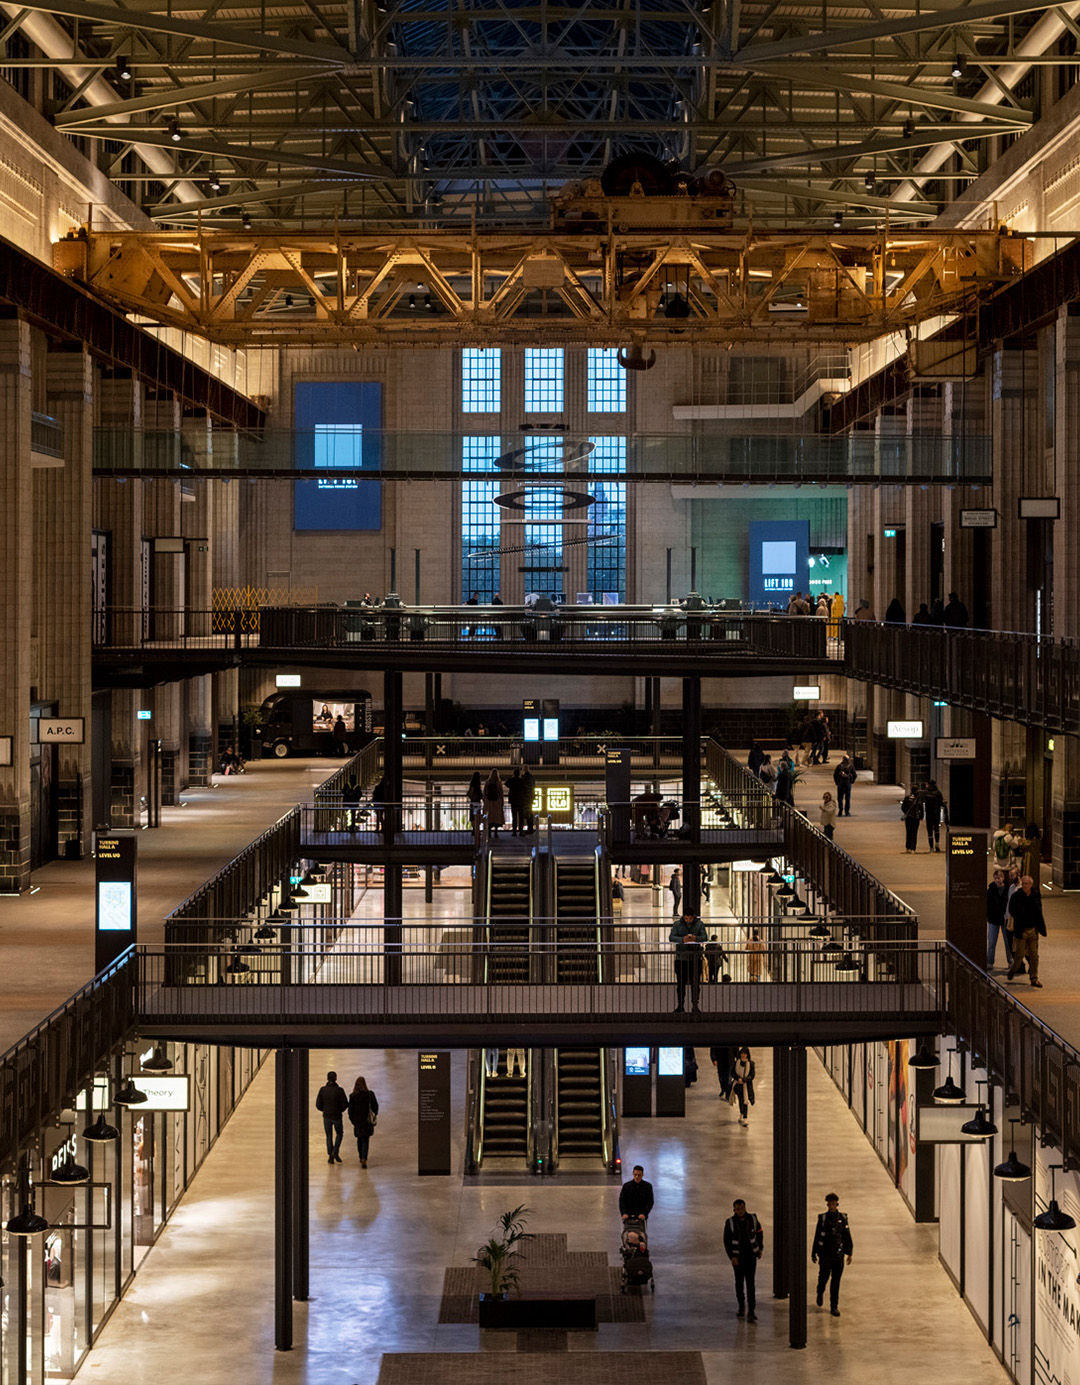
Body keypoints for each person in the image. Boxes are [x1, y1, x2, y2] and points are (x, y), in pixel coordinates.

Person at [812, 1192, 853, 1316]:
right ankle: (820, 1292)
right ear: (827, 1204)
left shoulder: (843, 1218)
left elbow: (847, 1236)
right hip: (825, 1255)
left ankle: (834, 1306)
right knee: (824, 1277)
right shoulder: (823, 1219)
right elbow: (817, 1235)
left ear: (837, 1204)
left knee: (836, 1282)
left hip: (838, 1255)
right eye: (829, 1204)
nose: (832, 1206)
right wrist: (813, 1252)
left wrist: (849, 1253)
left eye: (834, 1204)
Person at [723, 1199, 764, 1321]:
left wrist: (760, 1248)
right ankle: (741, 1306)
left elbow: (760, 1232)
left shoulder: (753, 1219)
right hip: (738, 1258)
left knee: (751, 1283)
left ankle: (751, 1310)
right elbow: (727, 1241)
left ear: (745, 1208)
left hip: (751, 1256)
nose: (740, 1211)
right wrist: (732, 1257)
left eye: (742, 1208)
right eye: (738, 1209)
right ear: (734, 1210)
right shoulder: (730, 1223)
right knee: (739, 1282)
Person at [1006, 875, 1046, 987]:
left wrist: (1040, 926)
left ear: (1031, 885)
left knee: (1034, 955)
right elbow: (1011, 910)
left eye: (1026, 884)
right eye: (1023, 884)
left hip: (1033, 930)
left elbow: (1039, 910)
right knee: (1019, 954)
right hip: (1021, 930)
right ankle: (1013, 970)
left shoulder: (1035, 895)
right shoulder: (1016, 896)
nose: (1024, 886)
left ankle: (1034, 978)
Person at [669, 909, 707, 1013]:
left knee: (695, 984)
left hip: (693, 959)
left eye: (690, 918)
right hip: (682, 959)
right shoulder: (677, 924)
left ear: (693, 917)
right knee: (681, 984)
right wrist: (683, 939)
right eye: (686, 918)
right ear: (684, 917)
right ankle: (681, 1005)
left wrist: (696, 938)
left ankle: (694, 1005)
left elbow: (704, 937)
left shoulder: (699, 924)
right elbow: (671, 937)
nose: (688, 920)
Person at [315, 1070, 348, 1165]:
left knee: (329, 1136)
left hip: (326, 1116)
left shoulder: (323, 1090)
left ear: (327, 1079)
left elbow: (318, 1104)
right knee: (339, 1133)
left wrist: (325, 1110)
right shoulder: (339, 1090)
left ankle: (330, 1155)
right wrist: (339, 1110)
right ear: (336, 1078)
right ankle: (335, 1151)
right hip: (337, 1116)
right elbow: (345, 1104)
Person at [347, 1075, 379, 1168]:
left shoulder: (352, 1096)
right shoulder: (370, 1094)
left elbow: (350, 1110)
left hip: (357, 1121)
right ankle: (364, 1158)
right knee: (366, 1140)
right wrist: (373, 1115)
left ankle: (361, 1157)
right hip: (367, 1121)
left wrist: (352, 1120)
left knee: (359, 1139)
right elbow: (375, 1107)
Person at [986, 868, 1013, 972]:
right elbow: (987, 904)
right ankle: (989, 961)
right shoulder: (990, 890)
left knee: (1008, 941)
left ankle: (1010, 960)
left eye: (1000, 878)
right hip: (993, 919)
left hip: (1005, 919)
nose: (998, 880)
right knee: (992, 941)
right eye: (996, 878)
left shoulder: (1008, 889)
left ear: (1003, 878)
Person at [731, 1047, 755, 1126]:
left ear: (747, 1054)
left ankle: (745, 1117)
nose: (743, 1055)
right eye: (742, 1053)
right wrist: (738, 1078)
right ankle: (741, 1113)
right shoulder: (736, 1063)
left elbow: (752, 1075)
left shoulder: (750, 1064)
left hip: (746, 1086)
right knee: (741, 1100)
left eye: (745, 1054)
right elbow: (733, 1073)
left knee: (745, 1101)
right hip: (738, 1086)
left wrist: (744, 1079)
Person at [921, 779, 947, 852]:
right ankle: (937, 845)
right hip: (936, 812)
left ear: (928, 784)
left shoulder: (925, 792)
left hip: (929, 813)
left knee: (929, 830)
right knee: (936, 829)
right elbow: (941, 803)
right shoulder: (938, 793)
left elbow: (923, 801)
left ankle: (931, 847)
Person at [483, 767, 505, 839]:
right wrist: (502, 801)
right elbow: (501, 793)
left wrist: (485, 800)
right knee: (496, 817)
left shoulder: (487, 782)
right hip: (497, 802)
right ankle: (496, 833)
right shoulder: (498, 782)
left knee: (489, 817)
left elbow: (484, 792)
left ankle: (489, 833)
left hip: (489, 802)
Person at [506, 766, 528, 836]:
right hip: (521, 801)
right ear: (519, 774)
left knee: (514, 817)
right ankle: (521, 831)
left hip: (513, 801)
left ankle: (514, 831)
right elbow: (525, 789)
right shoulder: (521, 781)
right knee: (521, 817)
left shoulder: (511, 780)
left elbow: (506, 783)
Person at [900, 786, 923, 853]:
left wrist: (906, 812)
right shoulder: (918, 799)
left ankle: (908, 847)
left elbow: (903, 807)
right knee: (914, 833)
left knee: (908, 832)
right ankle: (913, 848)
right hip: (915, 818)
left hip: (908, 818)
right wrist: (921, 816)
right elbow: (921, 809)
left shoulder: (907, 798)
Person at [467, 770, 484, 848]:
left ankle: (474, 829)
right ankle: (476, 830)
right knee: (477, 816)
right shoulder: (477, 784)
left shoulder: (472, 784)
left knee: (473, 816)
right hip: (477, 803)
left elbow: (469, 793)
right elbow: (480, 794)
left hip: (472, 803)